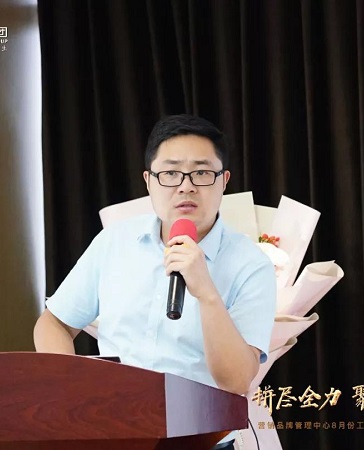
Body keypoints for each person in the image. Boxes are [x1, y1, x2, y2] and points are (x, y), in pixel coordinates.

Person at [34, 114, 276, 449]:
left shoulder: (251, 265)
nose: (186, 186)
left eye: (202, 173)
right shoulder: (115, 242)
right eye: (171, 173)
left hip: (202, 442)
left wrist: (206, 292)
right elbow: (54, 323)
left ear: (224, 181)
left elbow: (236, 381)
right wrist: (72, 386)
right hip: (115, 435)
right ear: (149, 181)